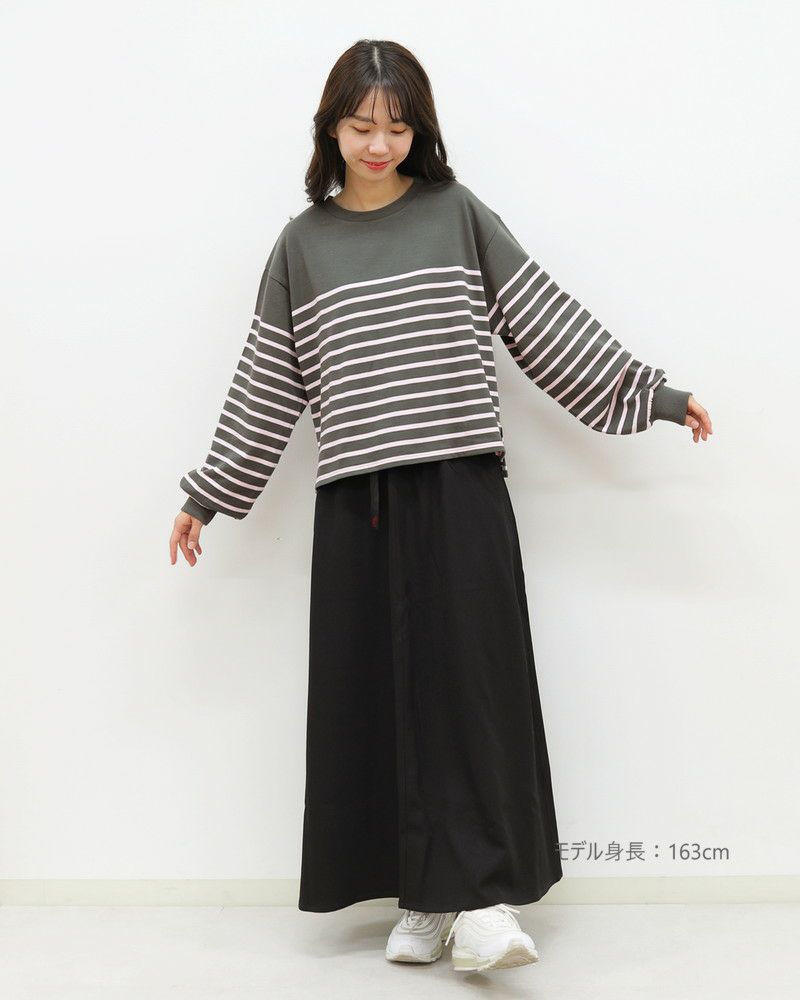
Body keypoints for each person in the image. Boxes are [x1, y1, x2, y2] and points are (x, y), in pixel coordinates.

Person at [169, 39, 712, 974]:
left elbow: (545, 321)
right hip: (358, 503)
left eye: (396, 126)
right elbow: (266, 381)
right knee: (377, 698)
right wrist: (210, 494)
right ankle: (423, 898)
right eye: (360, 126)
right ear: (330, 131)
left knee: (472, 694)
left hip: (460, 491)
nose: (379, 144)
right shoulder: (302, 246)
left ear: (419, 130)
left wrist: (653, 394)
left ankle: (484, 902)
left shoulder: (456, 215)